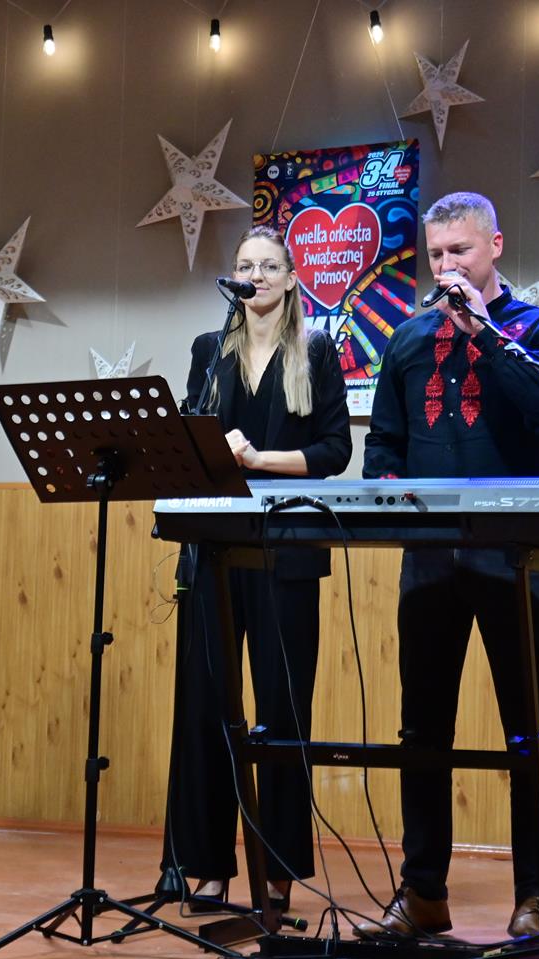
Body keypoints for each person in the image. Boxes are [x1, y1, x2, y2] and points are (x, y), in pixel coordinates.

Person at [355, 192, 539, 939]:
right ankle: (423, 893)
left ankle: (535, 897)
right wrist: (387, 492)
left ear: (494, 246)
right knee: (422, 731)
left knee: (529, 731)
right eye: (436, 254)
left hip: (512, 557)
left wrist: (483, 332)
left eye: (460, 250)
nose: (447, 265)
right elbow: (383, 443)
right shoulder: (406, 339)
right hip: (429, 560)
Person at [161, 225, 351, 913]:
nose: (256, 276)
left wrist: (257, 460)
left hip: (287, 553)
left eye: (269, 265)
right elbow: (187, 439)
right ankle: (206, 864)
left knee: (281, 711)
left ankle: (277, 868)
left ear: (292, 278)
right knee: (206, 706)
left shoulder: (317, 349)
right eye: (246, 265)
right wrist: (215, 450)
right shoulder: (209, 350)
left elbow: (334, 452)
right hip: (214, 550)